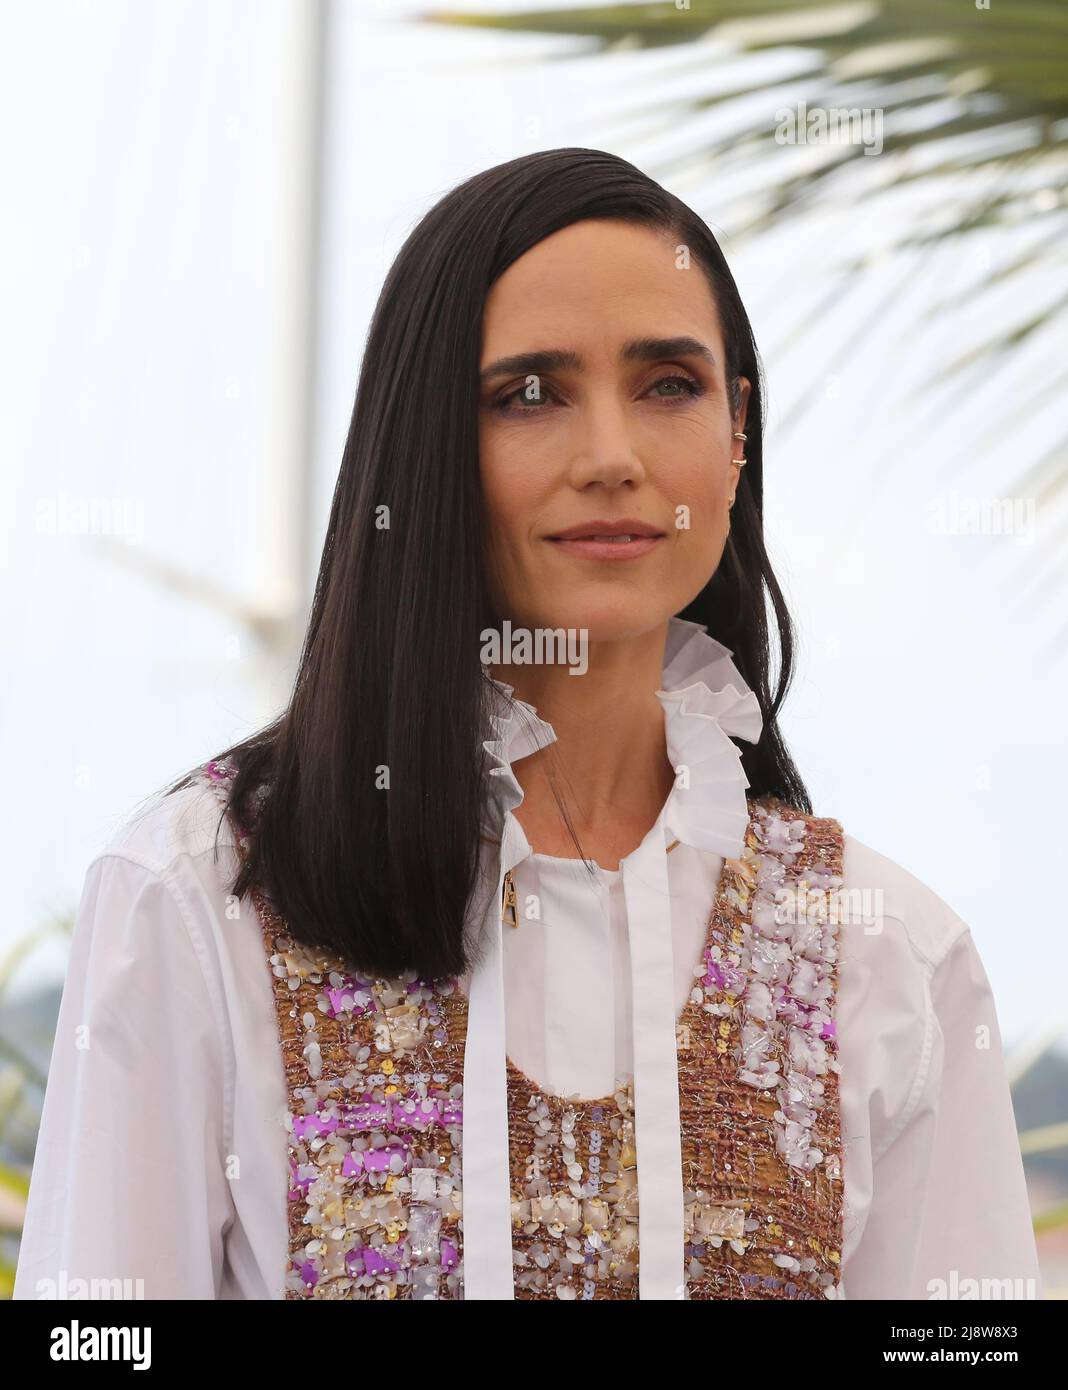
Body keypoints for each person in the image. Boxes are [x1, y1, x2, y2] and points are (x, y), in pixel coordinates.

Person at [14, 148, 1041, 1301]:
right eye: (530, 394)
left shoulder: (889, 956)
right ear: (429, 446)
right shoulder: (201, 898)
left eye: (668, 384)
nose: (612, 456)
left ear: (738, 429)